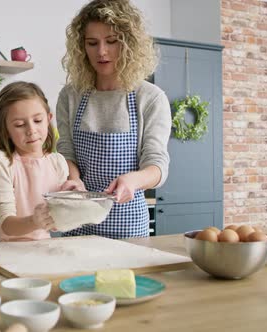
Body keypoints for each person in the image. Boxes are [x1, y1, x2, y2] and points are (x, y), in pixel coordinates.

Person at [56, 0, 172, 239]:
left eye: (112, 41)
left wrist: (134, 180)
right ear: (81, 47)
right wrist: (74, 180)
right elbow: (65, 151)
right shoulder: (70, 96)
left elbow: (157, 166)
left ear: (129, 44)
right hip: (77, 219)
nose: (101, 52)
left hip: (127, 225)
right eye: (92, 43)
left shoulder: (150, 98)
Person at [0, 82, 70, 242]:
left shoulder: (58, 163)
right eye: (20, 125)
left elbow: (59, 220)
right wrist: (34, 221)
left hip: (38, 249)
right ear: (6, 130)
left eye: (37, 120)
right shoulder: (1, 161)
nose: (31, 130)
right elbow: (6, 225)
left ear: (48, 119)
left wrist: (73, 198)